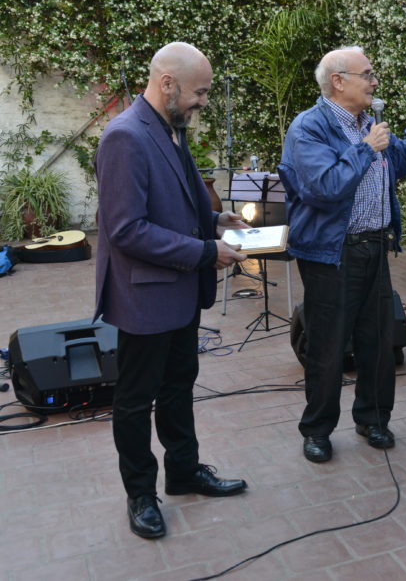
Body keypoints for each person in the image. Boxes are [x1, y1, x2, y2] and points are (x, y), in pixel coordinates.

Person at [94, 42, 249, 540]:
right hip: (145, 296)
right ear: (167, 84)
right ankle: (140, 494)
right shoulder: (125, 137)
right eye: (199, 92)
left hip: (179, 290)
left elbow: (176, 204)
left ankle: (183, 471)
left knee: (179, 386)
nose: (203, 101)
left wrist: (215, 221)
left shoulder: (169, 128)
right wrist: (205, 252)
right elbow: (126, 230)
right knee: (136, 400)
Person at [279, 46, 406, 463]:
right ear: (338, 81)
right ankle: (317, 430)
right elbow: (323, 188)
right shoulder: (309, 127)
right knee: (327, 346)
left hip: (375, 246)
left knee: (378, 341)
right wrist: (364, 148)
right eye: (367, 74)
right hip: (331, 254)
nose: (375, 81)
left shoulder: (369, 124)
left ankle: (374, 419)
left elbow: (402, 161)